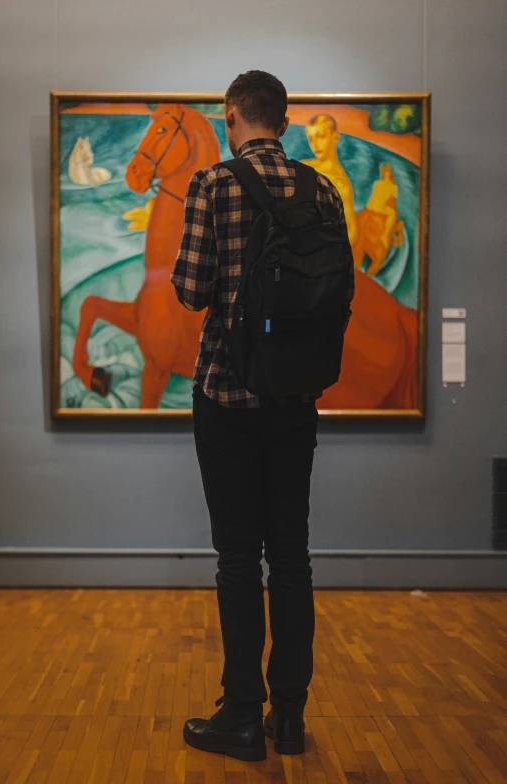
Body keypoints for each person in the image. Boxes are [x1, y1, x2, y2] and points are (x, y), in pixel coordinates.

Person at [171, 71, 354, 761]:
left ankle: (242, 717)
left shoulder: (214, 184)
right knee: (293, 558)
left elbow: (191, 292)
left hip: (228, 394)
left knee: (239, 560)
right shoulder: (322, 189)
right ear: (284, 119)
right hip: (296, 399)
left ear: (231, 118)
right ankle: (290, 720)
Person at [302, 114, 358, 246]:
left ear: (335, 137)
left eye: (321, 136)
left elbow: (352, 229)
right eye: (311, 138)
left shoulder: (340, 183)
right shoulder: (304, 166)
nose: (315, 144)